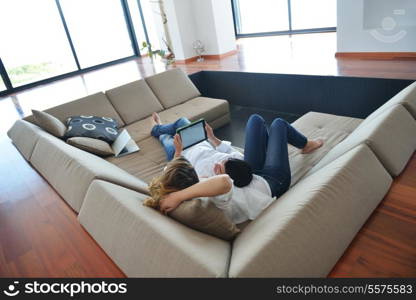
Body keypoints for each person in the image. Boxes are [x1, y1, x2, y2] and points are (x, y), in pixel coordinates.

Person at [144, 113, 323, 224]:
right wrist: (177, 196)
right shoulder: (204, 187)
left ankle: (158, 127)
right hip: (272, 181)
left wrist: (209, 140)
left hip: (249, 169)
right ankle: (305, 144)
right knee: (278, 124)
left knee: (255, 120)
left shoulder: (183, 176)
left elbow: (171, 171)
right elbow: (224, 182)